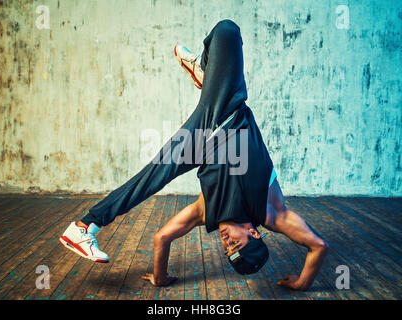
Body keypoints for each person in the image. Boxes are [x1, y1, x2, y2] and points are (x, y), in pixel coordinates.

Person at [59, 20, 329, 291]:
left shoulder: (205, 212)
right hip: (226, 112)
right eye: (235, 242)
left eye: (226, 249)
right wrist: (302, 283)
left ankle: (84, 227)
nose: (225, 241)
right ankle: (205, 70)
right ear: (253, 232)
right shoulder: (271, 211)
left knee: (150, 178)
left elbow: (161, 238)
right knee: (226, 30)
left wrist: (160, 278)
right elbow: (318, 246)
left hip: (200, 138)